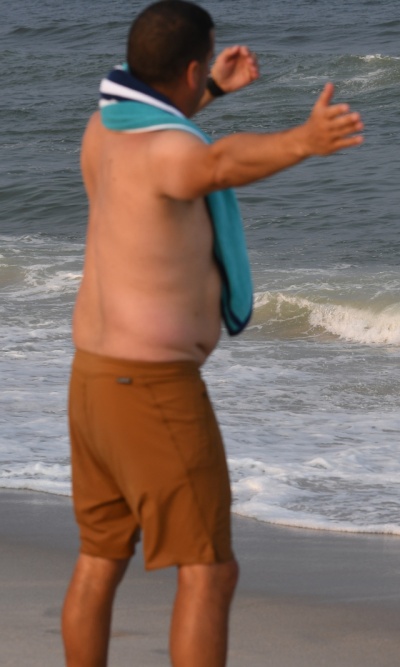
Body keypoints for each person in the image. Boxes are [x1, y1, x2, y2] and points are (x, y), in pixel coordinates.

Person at [63, 1, 363, 665]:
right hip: (151, 388)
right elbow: (217, 161)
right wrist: (303, 140)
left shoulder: (103, 129)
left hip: (93, 381)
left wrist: (214, 89)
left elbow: (166, 128)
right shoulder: (171, 153)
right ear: (190, 69)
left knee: (100, 557)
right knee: (209, 569)